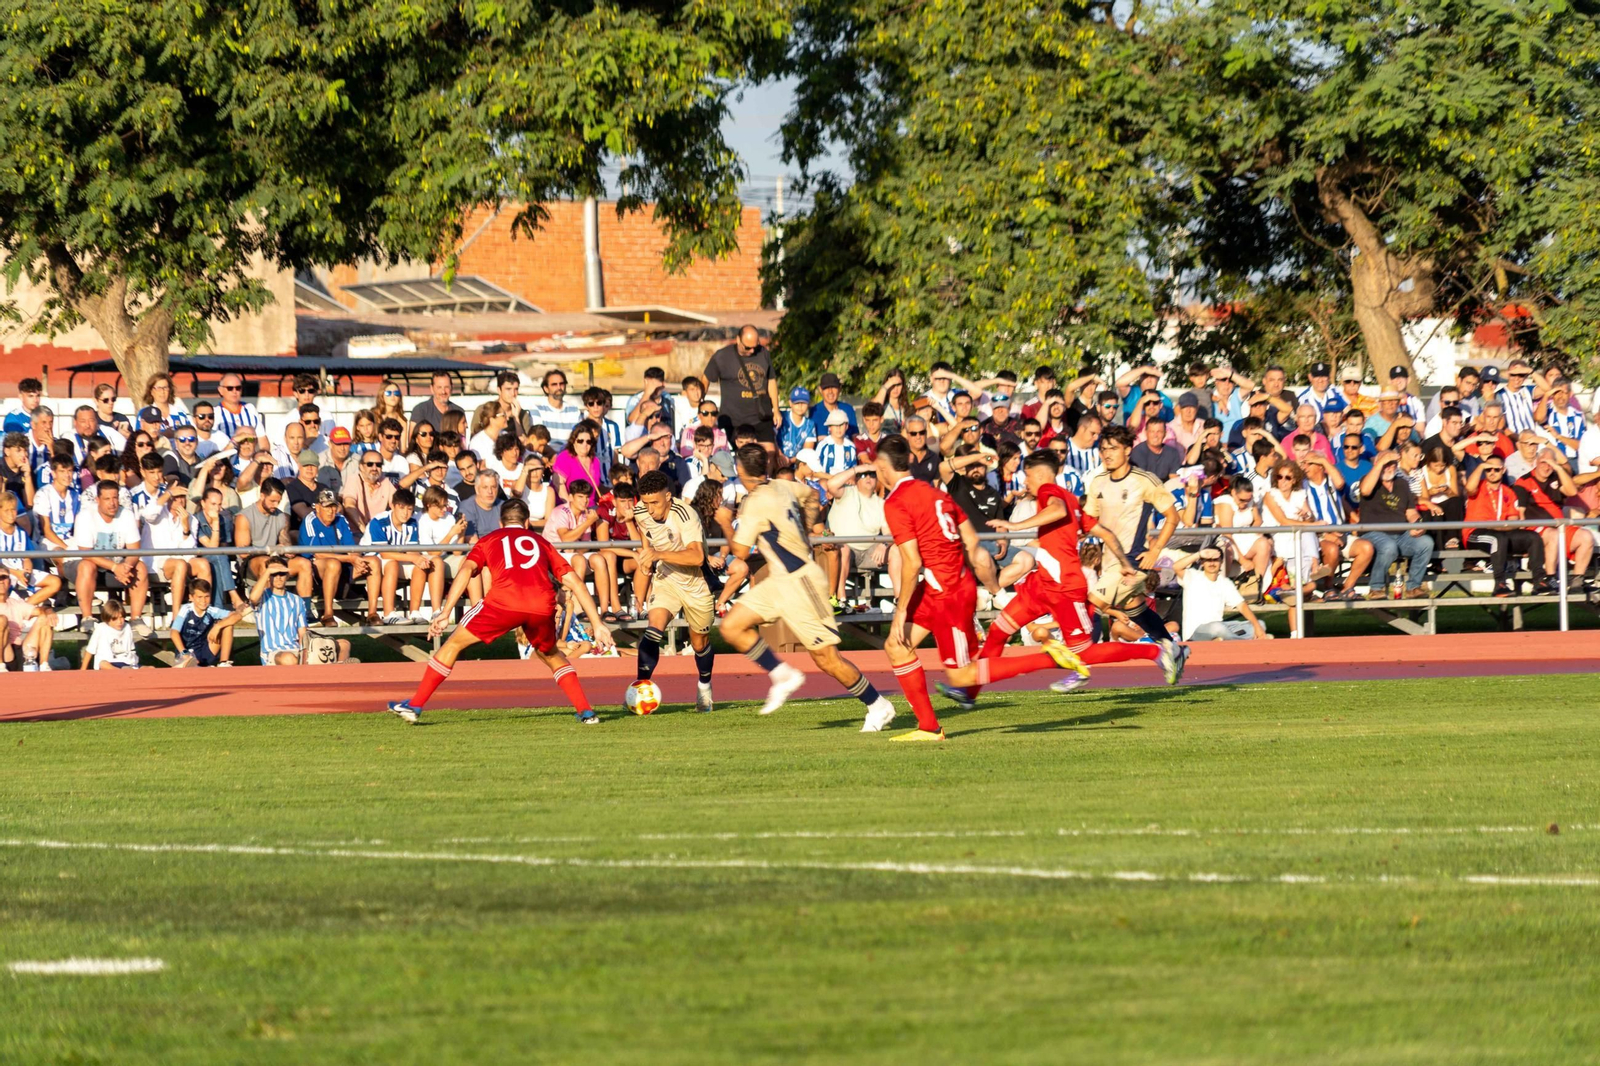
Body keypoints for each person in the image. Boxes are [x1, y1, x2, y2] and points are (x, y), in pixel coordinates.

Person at [875, 440, 1090, 740]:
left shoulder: (896, 502)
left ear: (883, 467)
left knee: (962, 675)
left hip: (946, 592)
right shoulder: (936, 494)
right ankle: (928, 727)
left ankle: (1051, 658)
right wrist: (988, 582)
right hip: (942, 584)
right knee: (896, 647)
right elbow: (972, 544)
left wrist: (900, 613)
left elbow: (911, 561)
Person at [387, 498, 614, 723]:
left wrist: (445, 612)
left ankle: (415, 705)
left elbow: (466, 570)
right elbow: (574, 581)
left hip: (503, 602)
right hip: (541, 604)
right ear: (526, 524)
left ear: (500, 522)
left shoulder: (490, 539)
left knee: (453, 643)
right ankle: (586, 711)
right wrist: (597, 624)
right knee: (551, 654)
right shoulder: (541, 541)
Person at [715, 443, 897, 723]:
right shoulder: (782, 485)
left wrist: (726, 521)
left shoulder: (755, 502)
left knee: (827, 659)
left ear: (740, 470)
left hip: (801, 584)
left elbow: (739, 553)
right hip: (780, 581)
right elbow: (813, 494)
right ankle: (781, 674)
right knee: (731, 626)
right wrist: (808, 529)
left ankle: (877, 704)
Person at [987, 451, 1178, 685]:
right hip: (1041, 586)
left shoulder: (1050, 492)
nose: (1025, 482)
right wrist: (1125, 563)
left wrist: (1013, 525)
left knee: (1083, 653)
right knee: (998, 631)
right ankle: (970, 688)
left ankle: (1156, 652)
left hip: (1064, 589)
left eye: (1027, 476)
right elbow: (1104, 533)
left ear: (1039, 475)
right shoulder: (1071, 500)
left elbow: (1056, 510)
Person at [1081, 425, 1183, 647]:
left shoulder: (1144, 480)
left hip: (1133, 560)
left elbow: (1172, 517)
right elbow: (1088, 521)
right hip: (1108, 562)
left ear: (1127, 450)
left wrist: (1155, 550)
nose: (1107, 453)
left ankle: (1079, 663)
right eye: (1103, 449)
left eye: (1113, 448)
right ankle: (1171, 649)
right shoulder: (1098, 482)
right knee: (1137, 612)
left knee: (1091, 605)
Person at [627, 470, 718, 712]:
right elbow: (647, 535)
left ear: (668, 497)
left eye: (655, 502)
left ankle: (704, 687)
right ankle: (640, 689)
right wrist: (647, 560)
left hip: (695, 583)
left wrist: (658, 554)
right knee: (654, 628)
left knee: (699, 643)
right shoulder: (641, 511)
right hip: (666, 578)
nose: (649, 508)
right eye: (645, 502)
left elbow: (697, 556)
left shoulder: (686, 515)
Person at [1348, 451, 1433, 599]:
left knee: (1426, 543)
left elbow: (1411, 512)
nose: (1389, 468)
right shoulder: (1368, 480)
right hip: (1372, 532)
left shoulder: (1402, 484)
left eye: (1392, 464)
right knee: (1388, 547)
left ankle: (1414, 587)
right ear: (1377, 464)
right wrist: (1381, 462)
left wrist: (1417, 524)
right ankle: (1376, 588)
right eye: (1385, 464)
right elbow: (1365, 490)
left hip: (1400, 533)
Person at [70, 479, 150, 633]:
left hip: (115, 566)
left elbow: (135, 549)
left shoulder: (126, 515)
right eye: (107, 499)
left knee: (139, 567)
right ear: (97, 500)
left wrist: (126, 567)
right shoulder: (85, 516)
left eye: (115, 498)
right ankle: (87, 618)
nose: (112, 503)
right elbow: (85, 552)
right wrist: (115, 567)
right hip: (82, 564)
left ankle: (136, 619)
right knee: (87, 566)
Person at [1463, 457, 1544, 597]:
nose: (1492, 472)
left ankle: (1539, 581)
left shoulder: (1508, 492)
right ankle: (1499, 584)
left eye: (1496, 469)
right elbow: (1469, 488)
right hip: (1476, 532)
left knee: (1533, 537)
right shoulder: (1479, 486)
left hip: (1501, 531)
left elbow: (1513, 520)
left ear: (1503, 470)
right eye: (1488, 469)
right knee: (1498, 539)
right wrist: (1481, 466)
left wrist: (1500, 527)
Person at [361, 487, 434, 624]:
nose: (406, 513)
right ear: (392, 506)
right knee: (392, 564)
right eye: (402, 508)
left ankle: (415, 612)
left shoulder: (412, 523)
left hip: (397, 559)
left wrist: (419, 559)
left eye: (409, 509)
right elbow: (384, 553)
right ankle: (389, 613)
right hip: (374, 561)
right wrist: (414, 558)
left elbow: (412, 551)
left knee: (420, 567)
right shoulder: (379, 521)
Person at [300, 489, 370, 624]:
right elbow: (317, 554)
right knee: (333, 564)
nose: (331, 510)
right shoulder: (310, 520)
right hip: (316, 567)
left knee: (372, 562)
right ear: (318, 507)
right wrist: (350, 559)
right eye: (327, 507)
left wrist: (357, 559)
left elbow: (351, 548)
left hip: (341, 563)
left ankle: (374, 613)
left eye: (333, 506)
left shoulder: (341, 519)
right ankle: (328, 613)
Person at [236, 478, 313, 598]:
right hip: (252, 563)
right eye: (272, 501)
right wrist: (272, 549)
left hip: (275, 558)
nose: (275, 505)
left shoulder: (280, 516)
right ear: (262, 496)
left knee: (304, 564)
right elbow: (243, 553)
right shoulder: (244, 517)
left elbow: (284, 538)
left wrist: (288, 550)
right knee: (266, 563)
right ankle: (269, 606)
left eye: (278, 501)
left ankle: (304, 609)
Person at [703, 325, 778, 449]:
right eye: (748, 347)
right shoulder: (722, 356)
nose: (752, 351)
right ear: (738, 340)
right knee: (741, 456)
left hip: (761, 417)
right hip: (734, 420)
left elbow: (771, 380)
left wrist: (776, 409)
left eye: (755, 346)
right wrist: (700, 404)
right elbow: (705, 379)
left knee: (769, 453)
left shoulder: (763, 353)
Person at [1172, 547, 1268, 640]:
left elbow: (1242, 605)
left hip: (1221, 627)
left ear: (1221, 562)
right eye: (1208, 560)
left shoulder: (1225, 582)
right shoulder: (1192, 577)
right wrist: (1199, 554)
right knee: (1217, 628)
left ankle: (1224, 640)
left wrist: (1257, 627)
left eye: (1215, 560)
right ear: (1202, 562)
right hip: (1196, 633)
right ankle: (1239, 641)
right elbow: (1176, 567)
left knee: (1260, 624)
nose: (1212, 563)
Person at [170, 579, 241, 667]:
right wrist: (184, 653)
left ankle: (223, 663)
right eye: (199, 597)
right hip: (187, 652)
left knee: (228, 624)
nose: (203, 601)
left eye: (206, 596)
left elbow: (237, 615)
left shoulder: (211, 610)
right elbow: (174, 633)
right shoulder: (186, 609)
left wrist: (218, 626)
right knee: (188, 665)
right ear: (191, 597)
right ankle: (189, 665)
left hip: (205, 649)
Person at [0, 569, 61, 671]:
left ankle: (44, 665)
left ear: (9, 582)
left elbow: (40, 611)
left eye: (4, 577)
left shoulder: (16, 603)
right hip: (5, 652)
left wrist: (49, 611)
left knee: (45, 617)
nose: (1, 581)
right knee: (1, 620)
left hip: (19, 649)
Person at [527, 369, 583, 449]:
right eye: (554, 384)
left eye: (561, 384)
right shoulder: (537, 409)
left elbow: (578, 439)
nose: (559, 387)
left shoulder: (574, 411)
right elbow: (538, 441)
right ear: (546, 388)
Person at [86, 599, 140, 669]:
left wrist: (134, 664)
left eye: (121, 617)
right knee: (103, 664)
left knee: (150, 668)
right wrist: (83, 669)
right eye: (115, 619)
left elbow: (131, 650)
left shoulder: (127, 627)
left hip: (126, 662)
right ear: (107, 619)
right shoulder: (101, 628)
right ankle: (121, 672)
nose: (119, 621)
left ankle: (125, 671)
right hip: (109, 662)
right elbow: (90, 650)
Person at [212, 374, 263, 439]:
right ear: (220, 390)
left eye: (238, 388)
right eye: (230, 388)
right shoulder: (215, 413)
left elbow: (262, 439)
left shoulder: (250, 409)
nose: (235, 391)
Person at [808, 373, 858, 438]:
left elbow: (855, 437)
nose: (830, 391)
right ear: (820, 390)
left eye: (834, 387)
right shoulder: (814, 411)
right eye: (826, 388)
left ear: (839, 389)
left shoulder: (848, 409)